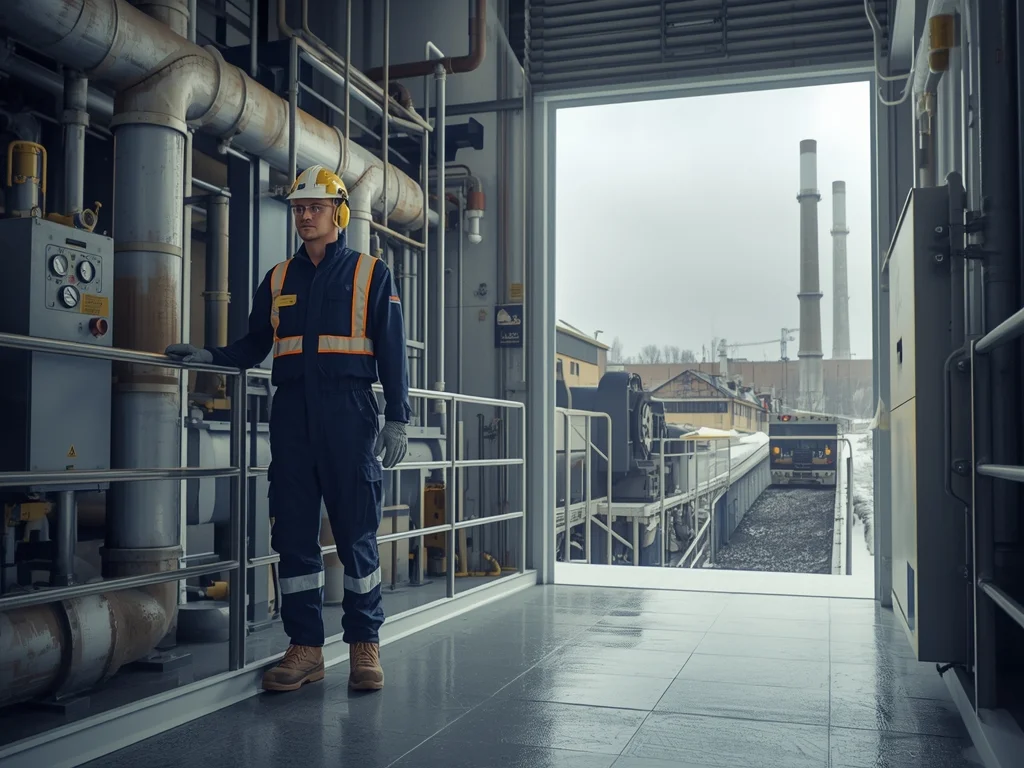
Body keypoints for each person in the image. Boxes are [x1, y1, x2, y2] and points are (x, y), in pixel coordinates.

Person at [166, 165, 410, 693]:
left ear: (338, 214)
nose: (304, 216)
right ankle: (305, 648)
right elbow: (254, 345)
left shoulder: (371, 274)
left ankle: (365, 645)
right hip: (293, 415)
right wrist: (209, 355)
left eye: (315, 208)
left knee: (356, 534)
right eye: (299, 208)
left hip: (350, 414)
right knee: (294, 534)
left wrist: (398, 416)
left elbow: (390, 350)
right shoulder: (277, 278)